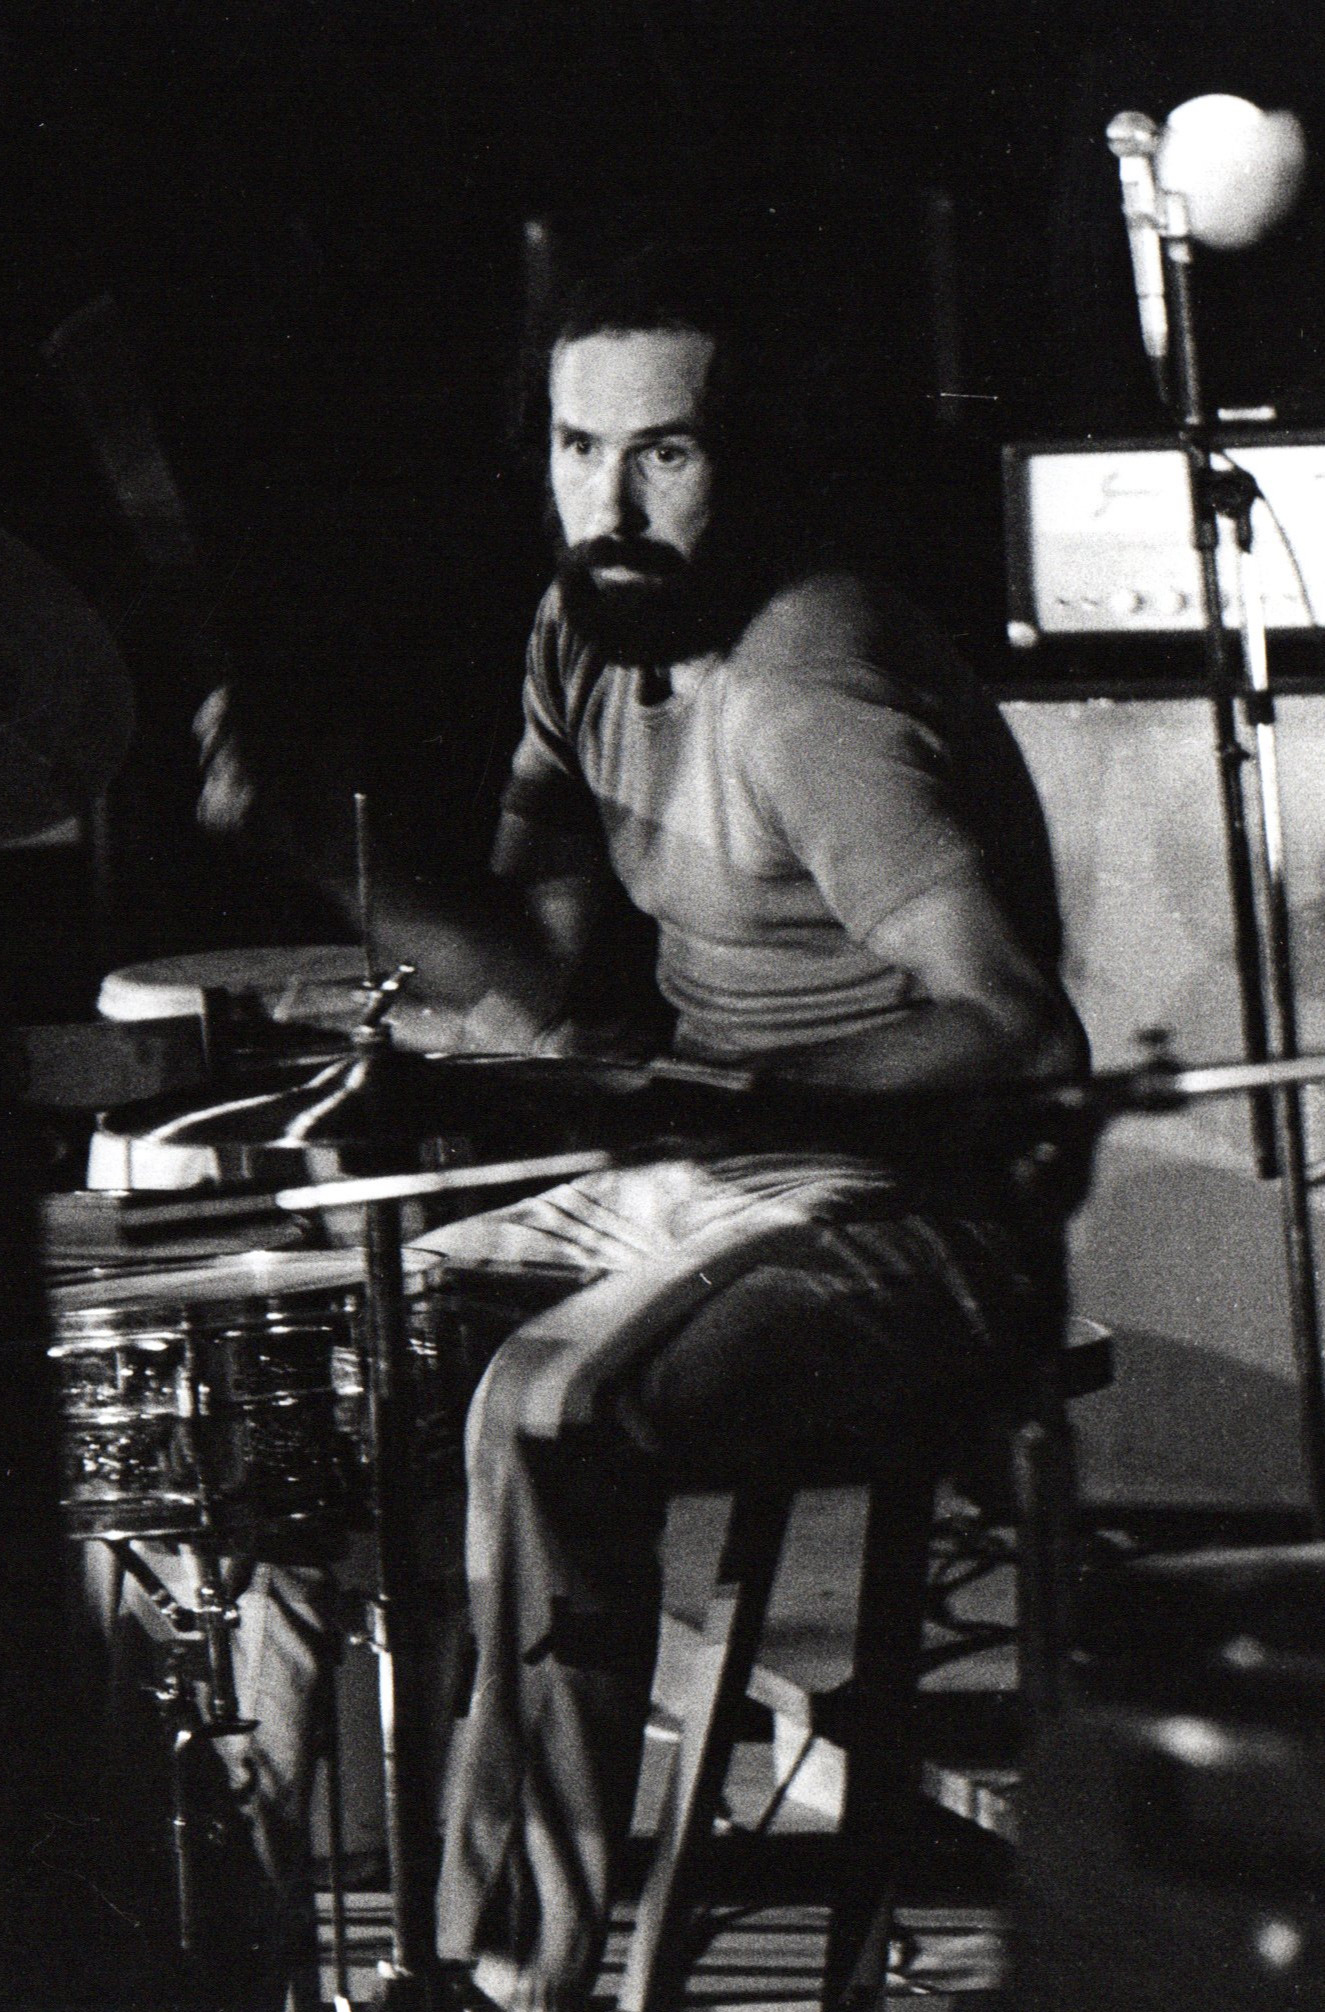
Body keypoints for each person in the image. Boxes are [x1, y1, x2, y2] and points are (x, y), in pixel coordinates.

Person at [194, 248, 1088, 2012]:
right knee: (311, 1380)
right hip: (700, 1181)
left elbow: (1008, 1022)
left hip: (912, 1220)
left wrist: (737, 1096)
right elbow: (537, 977)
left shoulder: (805, 684)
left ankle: (499, 1976)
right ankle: (228, 1928)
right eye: (578, 448)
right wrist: (314, 842)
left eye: (663, 454)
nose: (609, 506)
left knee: (549, 1411)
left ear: (748, 462)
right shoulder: (583, 635)